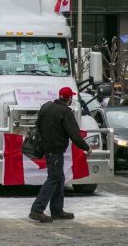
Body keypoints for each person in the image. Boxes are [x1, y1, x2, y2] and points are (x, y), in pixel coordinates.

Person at [29, 87, 91, 223]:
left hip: (47, 148)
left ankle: (57, 210)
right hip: (55, 150)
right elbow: (75, 134)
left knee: (59, 178)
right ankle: (37, 209)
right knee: (54, 179)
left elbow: (37, 125)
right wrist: (86, 147)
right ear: (69, 98)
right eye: (71, 97)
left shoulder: (46, 107)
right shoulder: (65, 112)